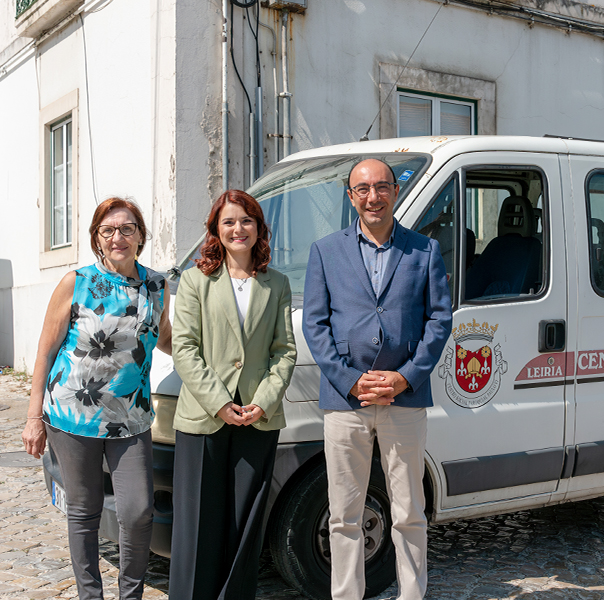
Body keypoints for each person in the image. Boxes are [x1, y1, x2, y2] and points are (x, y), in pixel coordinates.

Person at [303, 159, 452, 600]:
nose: (373, 196)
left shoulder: (424, 250)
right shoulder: (326, 251)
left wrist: (405, 378)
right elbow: (316, 325)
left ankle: (412, 594)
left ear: (395, 192)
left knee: (409, 509)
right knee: (344, 512)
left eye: (382, 186)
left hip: (403, 399)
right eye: (363, 188)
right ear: (351, 196)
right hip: (346, 401)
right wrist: (350, 380)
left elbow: (439, 320)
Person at [21, 197, 171, 600]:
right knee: (84, 513)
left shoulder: (157, 285)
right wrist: (34, 416)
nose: (117, 237)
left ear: (141, 235)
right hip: (72, 416)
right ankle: (91, 595)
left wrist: (214, 352)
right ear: (97, 239)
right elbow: (46, 349)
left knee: (138, 512)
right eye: (108, 230)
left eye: (127, 229)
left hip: (132, 418)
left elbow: (167, 338)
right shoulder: (77, 281)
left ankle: (130, 594)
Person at [169, 189, 296, 600]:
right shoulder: (194, 280)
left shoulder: (276, 283)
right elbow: (184, 348)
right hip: (205, 417)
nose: (238, 228)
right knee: (198, 524)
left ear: (259, 228)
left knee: (245, 522)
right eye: (228, 221)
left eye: (246, 220)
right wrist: (219, 402)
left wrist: (264, 400)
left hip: (257, 417)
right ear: (216, 230)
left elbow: (285, 350)